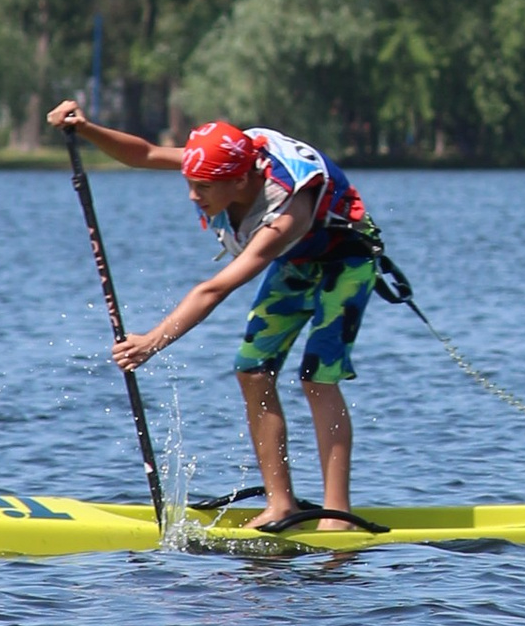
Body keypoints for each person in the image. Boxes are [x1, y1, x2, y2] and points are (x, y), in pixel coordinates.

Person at [45, 102, 384, 531]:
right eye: (191, 182)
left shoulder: (286, 210)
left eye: (202, 187)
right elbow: (145, 154)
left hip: (346, 259)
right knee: (253, 371)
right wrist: (86, 129)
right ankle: (281, 505)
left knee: (317, 377)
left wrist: (152, 341)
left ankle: (339, 516)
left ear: (242, 180)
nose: (192, 195)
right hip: (297, 263)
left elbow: (215, 288)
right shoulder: (225, 166)